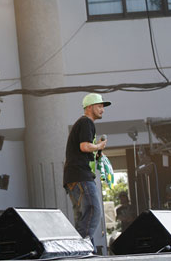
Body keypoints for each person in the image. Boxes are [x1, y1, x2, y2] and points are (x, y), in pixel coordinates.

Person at [63, 93, 110, 246]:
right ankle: (82, 246)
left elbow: (83, 149)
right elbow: (84, 146)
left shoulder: (82, 123)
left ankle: (82, 251)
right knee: (94, 210)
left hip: (73, 177)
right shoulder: (86, 122)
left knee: (82, 216)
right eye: (99, 106)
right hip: (80, 176)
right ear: (89, 107)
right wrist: (99, 146)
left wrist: (97, 152)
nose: (102, 109)